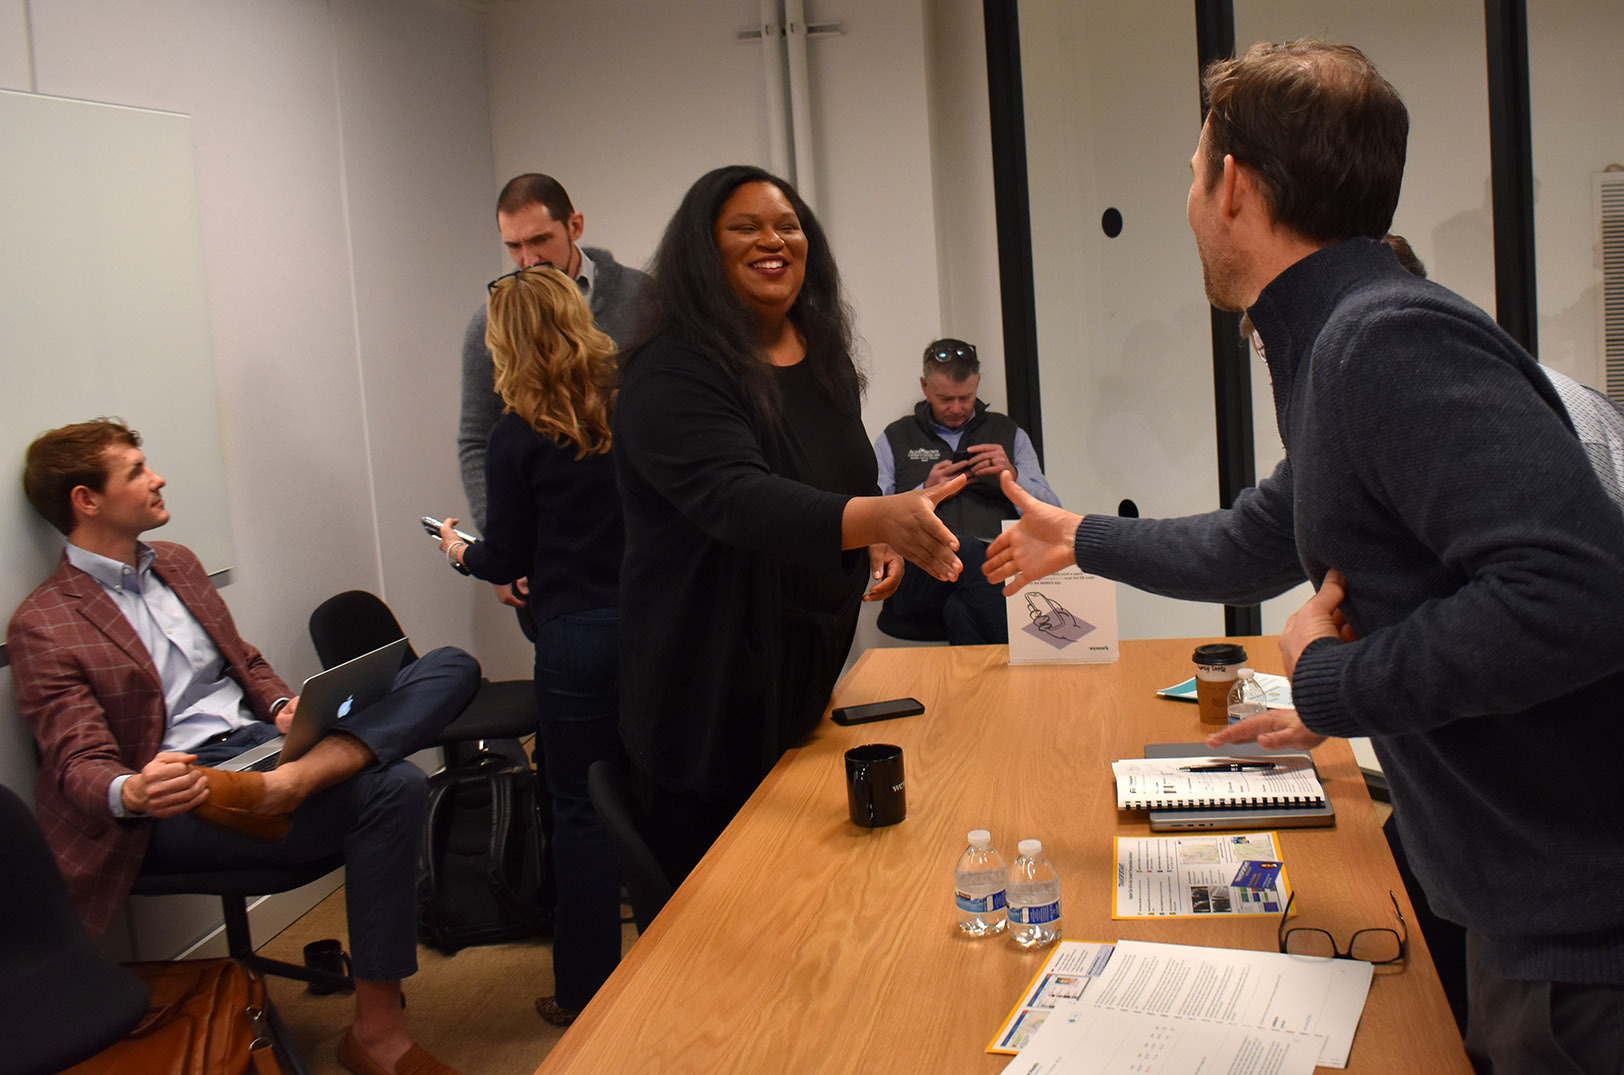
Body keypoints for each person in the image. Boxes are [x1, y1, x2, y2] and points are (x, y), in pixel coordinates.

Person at [983, 41, 1624, 1074]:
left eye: (1194, 172)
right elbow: (1257, 535)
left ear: (1232, 186)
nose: (1189, 200)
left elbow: (1578, 594)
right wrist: (1081, 538)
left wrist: (1331, 681)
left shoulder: (1382, 338)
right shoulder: (1339, 341)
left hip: (1581, 949)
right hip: (1531, 910)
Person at [7, 419, 481, 1075]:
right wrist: (134, 788)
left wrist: (285, 707)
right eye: (137, 471)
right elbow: (76, 764)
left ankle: (294, 781)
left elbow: (245, 662)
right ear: (86, 500)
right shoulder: (44, 622)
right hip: (180, 796)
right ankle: (378, 1036)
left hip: (259, 756)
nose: (158, 478)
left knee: (451, 665)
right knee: (395, 784)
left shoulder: (176, 562)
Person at [613, 164, 966, 884]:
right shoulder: (672, 370)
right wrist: (878, 517)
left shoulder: (817, 348)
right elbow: (738, 497)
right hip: (707, 690)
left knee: (809, 886)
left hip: (800, 678)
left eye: (787, 226)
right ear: (702, 250)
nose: (772, 240)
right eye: (745, 227)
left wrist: (872, 529)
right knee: (727, 907)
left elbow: (838, 469)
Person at [432, 265, 623, 1028]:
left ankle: (585, 992)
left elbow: (506, 555)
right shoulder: (632, 411)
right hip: (651, 631)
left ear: (505, 344)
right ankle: (682, 969)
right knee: (660, 796)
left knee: (579, 813)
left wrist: (459, 551)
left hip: (572, 641)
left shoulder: (515, 436)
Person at [457, 173, 651, 621]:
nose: (529, 259)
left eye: (540, 240)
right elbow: (476, 439)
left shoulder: (645, 299)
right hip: (556, 579)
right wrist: (502, 548)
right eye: (514, 246)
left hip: (646, 563)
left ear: (574, 226)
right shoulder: (494, 322)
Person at [874, 337, 1061, 643]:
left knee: (960, 610)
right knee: (969, 550)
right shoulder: (895, 438)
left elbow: (1054, 514)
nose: (957, 408)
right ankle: (1044, 642)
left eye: (966, 398)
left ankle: (1005, 670)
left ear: (978, 384)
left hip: (995, 571)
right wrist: (925, 491)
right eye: (945, 399)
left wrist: (1011, 478)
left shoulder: (1009, 433)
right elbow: (874, 516)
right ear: (924, 387)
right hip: (919, 571)